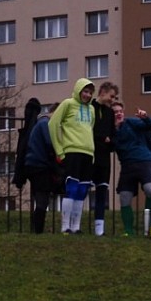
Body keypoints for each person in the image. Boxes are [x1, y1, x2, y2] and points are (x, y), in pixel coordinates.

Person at [49, 78, 97, 234]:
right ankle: (65, 226)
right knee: (71, 188)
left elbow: (90, 129)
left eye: (90, 92)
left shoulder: (91, 110)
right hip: (72, 152)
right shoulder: (68, 104)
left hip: (88, 153)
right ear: (78, 90)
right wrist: (59, 150)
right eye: (85, 91)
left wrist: (93, 152)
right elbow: (53, 124)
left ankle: (76, 226)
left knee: (82, 190)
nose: (87, 95)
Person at [111, 101, 151, 237]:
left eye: (120, 111)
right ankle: (128, 231)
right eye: (115, 112)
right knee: (125, 197)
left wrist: (145, 117)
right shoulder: (111, 130)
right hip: (127, 165)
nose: (118, 114)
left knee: (150, 189)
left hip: (143, 161)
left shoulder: (131, 122)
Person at [21, 102, 62, 234]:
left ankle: (36, 229)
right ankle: (38, 230)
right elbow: (50, 143)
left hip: (34, 164)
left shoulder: (41, 123)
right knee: (42, 198)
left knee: (41, 196)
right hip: (39, 165)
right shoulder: (45, 123)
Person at [90, 81, 119, 236]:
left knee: (101, 191)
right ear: (102, 92)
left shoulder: (109, 113)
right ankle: (73, 226)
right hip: (90, 155)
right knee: (83, 189)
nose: (112, 100)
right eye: (111, 96)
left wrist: (110, 142)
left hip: (104, 158)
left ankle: (99, 229)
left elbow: (113, 136)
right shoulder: (90, 108)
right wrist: (103, 138)